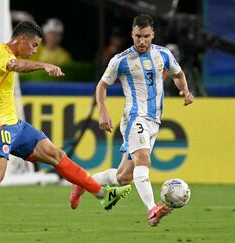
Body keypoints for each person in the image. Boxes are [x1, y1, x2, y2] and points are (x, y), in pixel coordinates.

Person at [0, 21, 131, 232]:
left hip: (15, 125)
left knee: (56, 155)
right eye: (33, 45)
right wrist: (44, 65)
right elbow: (15, 66)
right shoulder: (0, 54)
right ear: (21, 39)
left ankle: (104, 195)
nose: (34, 51)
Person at [69, 14, 194, 227]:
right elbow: (102, 86)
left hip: (154, 120)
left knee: (123, 177)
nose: (142, 41)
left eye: (146, 36)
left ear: (152, 34)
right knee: (143, 161)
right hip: (135, 117)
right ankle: (152, 210)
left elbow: (178, 73)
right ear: (132, 34)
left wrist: (186, 91)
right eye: (138, 36)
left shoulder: (163, 54)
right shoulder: (121, 60)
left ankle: (83, 183)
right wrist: (103, 112)